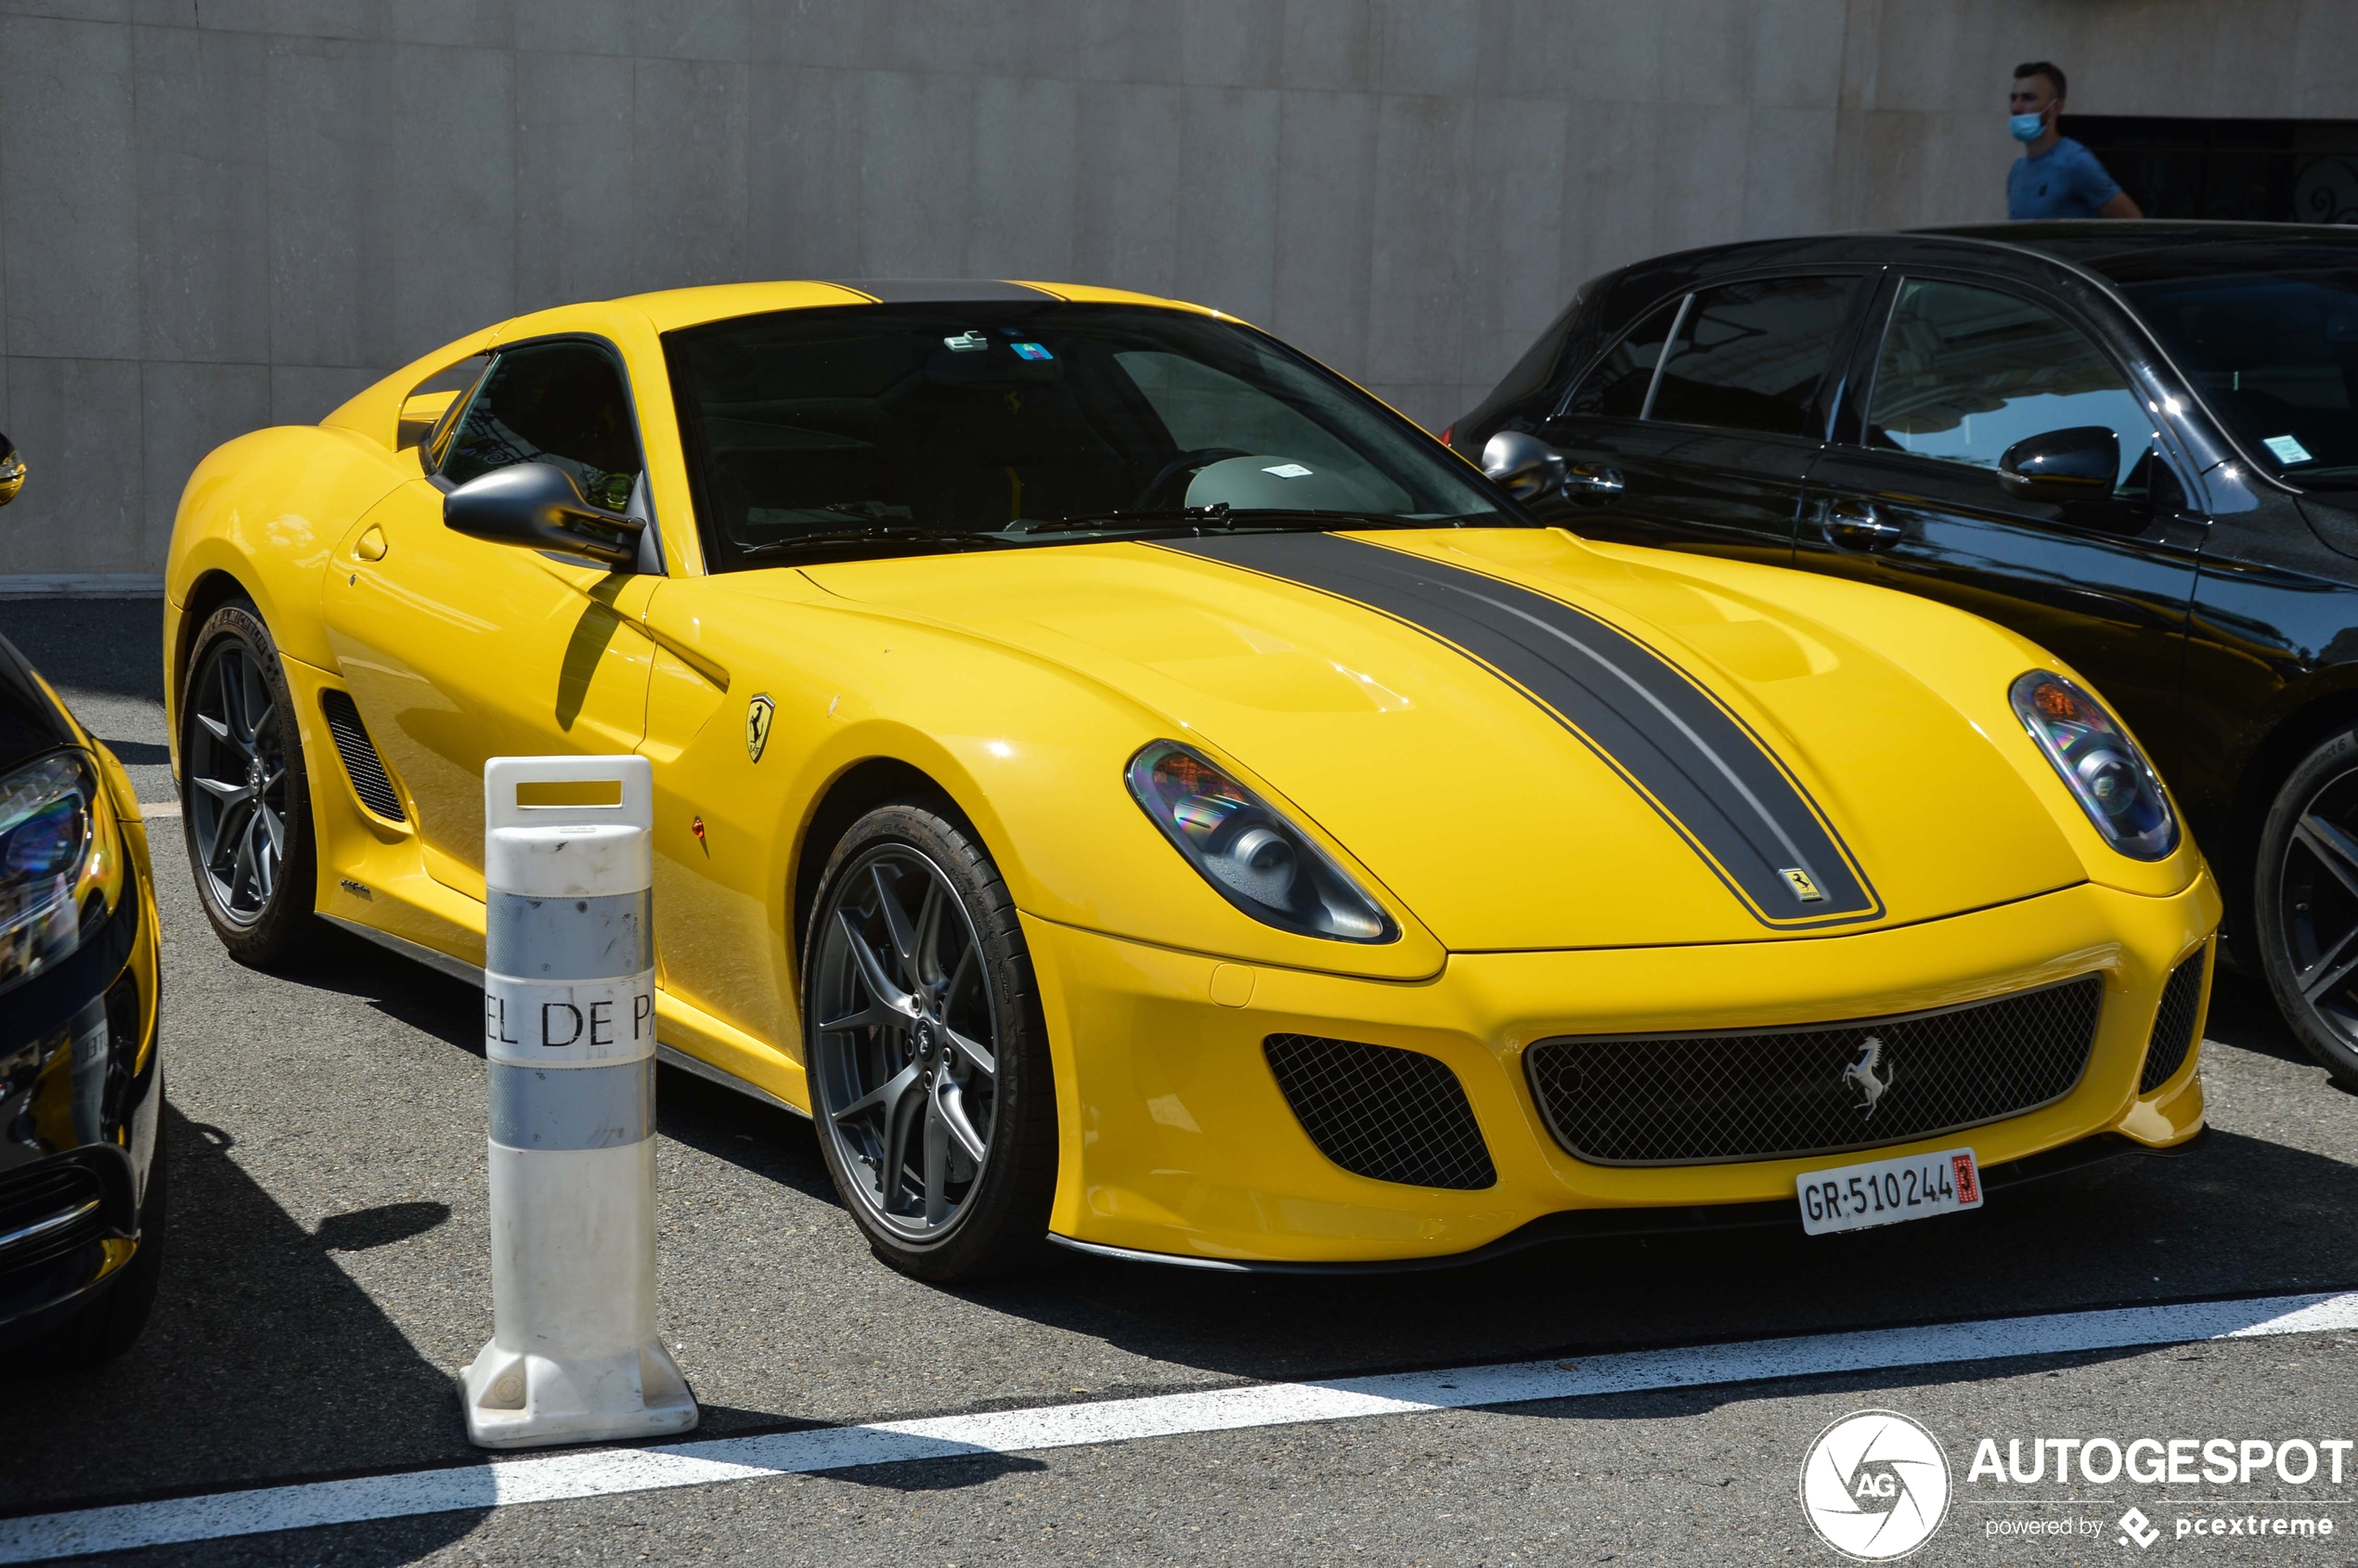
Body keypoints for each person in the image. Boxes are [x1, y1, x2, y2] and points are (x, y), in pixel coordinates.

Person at [2006, 61, 2142, 220]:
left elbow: (2131, 220)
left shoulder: (2076, 162)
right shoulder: (2018, 170)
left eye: (2028, 98)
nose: (2016, 108)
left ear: (2055, 108)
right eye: (2014, 98)